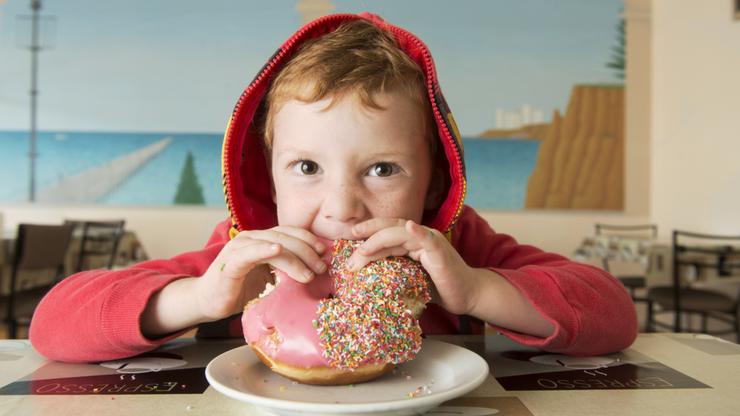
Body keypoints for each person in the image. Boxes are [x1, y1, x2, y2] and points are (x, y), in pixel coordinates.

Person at [29, 12, 637, 362]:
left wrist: (476, 289)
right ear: (268, 176)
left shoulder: (457, 246)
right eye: (307, 168)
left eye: (382, 169)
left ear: (434, 183)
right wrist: (200, 298)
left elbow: (613, 314)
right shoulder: (249, 254)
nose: (342, 207)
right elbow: (51, 324)